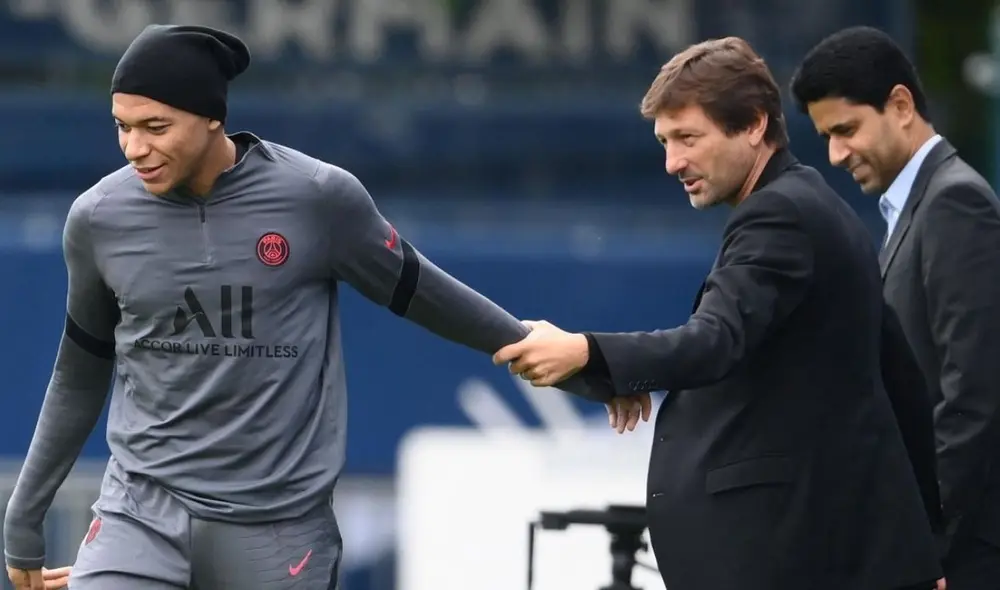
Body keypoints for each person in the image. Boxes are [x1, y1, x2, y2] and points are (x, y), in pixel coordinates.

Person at [2, 24, 614, 590]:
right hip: (140, 513)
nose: (134, 148)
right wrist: (24, 519)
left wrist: (588, 369)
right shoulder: (97, 218)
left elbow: (424, 293)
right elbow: (79, 370)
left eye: (155, 127)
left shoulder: (318, 199)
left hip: (279, 529)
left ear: (213, 118)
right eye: (122, 126)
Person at [493, 36, 944, 590]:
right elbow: (899, 379)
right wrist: (926, 553)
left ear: (754, 124)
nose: (672, 162)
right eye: (663, 141)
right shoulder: (812, 209)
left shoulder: (780, 215)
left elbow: (712, 342)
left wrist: (586, 351)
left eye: (687, 138)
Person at [790, 25, 1000, 589]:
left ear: (901, 105)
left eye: (846, 130)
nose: (835, 154)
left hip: (961, 557)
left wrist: (927, 543)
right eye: (827, 136)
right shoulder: (917, 207)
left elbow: (973, 394)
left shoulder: (954, 201)